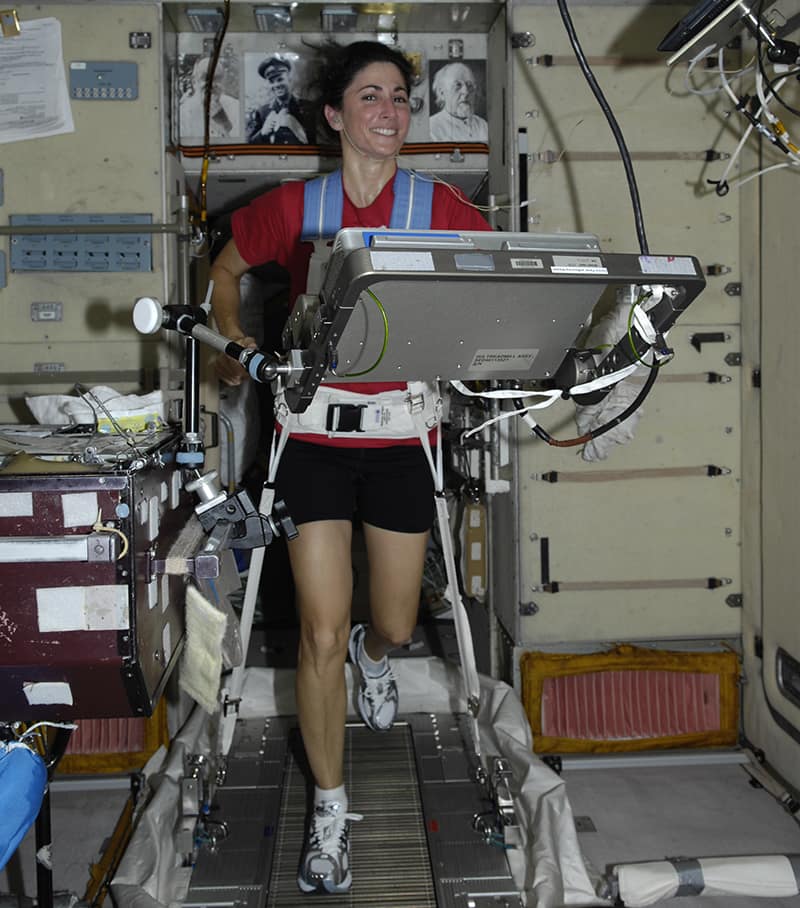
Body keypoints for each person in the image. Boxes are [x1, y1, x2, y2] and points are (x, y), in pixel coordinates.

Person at [210, 40, 489, 895]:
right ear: (335, 116)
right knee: (320, 633)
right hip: (314, 440)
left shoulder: (442, 209)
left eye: (401, 97)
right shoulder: (295, 207)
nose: (390, 111)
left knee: (395, 627)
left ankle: (381, 654)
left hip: (404, 439)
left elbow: (497, 290)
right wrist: (233, 342)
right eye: (371, 95)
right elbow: (224, 272)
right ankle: (330, 810)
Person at [246, 55, 311, 144]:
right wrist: (262, 133)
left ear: (289, 79)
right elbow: (249, 146)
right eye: (271, 81)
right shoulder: (262, 112)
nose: (276, 85)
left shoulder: (309, 108)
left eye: (280, 79)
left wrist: (300, 132)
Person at [180, 55, 240, 139]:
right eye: (205, 78)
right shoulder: (183, 113)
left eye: (217, 78)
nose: (211, 84)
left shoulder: (235, 107)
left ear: (223, 81)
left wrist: (224, 124)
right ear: (194, 82)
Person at [429, 60, 488, 142]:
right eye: (458, 85)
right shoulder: (431, 128)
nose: (466, 92)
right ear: (442, 93)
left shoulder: (483, 125)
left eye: (469, 85)